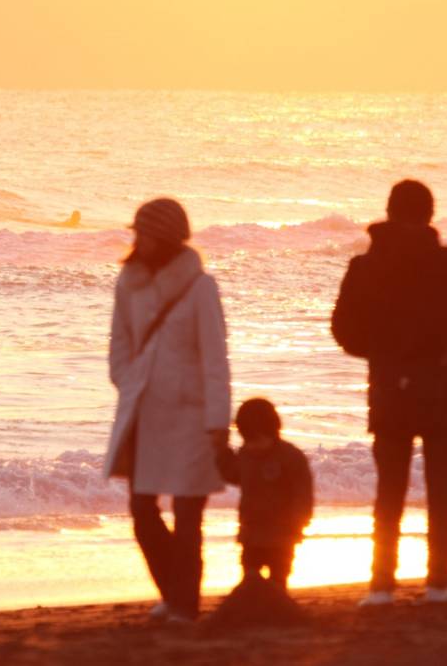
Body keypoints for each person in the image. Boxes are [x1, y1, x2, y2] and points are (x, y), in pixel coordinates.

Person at [331, 180, 447, 607]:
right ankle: (439, 586)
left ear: (389, 212)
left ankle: (380, 587)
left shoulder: (364, 266)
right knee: (440, 488)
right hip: (441, 384)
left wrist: (380, 352)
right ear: (430, 215)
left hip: (389, 385)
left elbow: (343, 330)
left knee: (389, 488)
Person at [104, 197, 231, 624]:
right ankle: (172, 592)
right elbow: (119, 343)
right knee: (142, 508)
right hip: (143, 412)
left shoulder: (200, 288)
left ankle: (185, 605)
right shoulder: (129, 281)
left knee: (188, 515)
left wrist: (218, 422)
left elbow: (216, 360)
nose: (138, 241)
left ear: (167, 237)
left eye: (145, 233)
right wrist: (128, 380)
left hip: (192, 416)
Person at [222, 398, 313, 590]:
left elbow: (304, 496)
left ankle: (279, 610)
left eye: (256, 440)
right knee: (250, 580)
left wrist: (298, 523)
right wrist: (221, 452)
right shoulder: (245, 455)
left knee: (278, 582)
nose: (252, 446)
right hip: (251, 534)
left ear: (272, 432)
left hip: (282, 536)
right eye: (247, 440)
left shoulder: (291, 457)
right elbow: (232, 474)